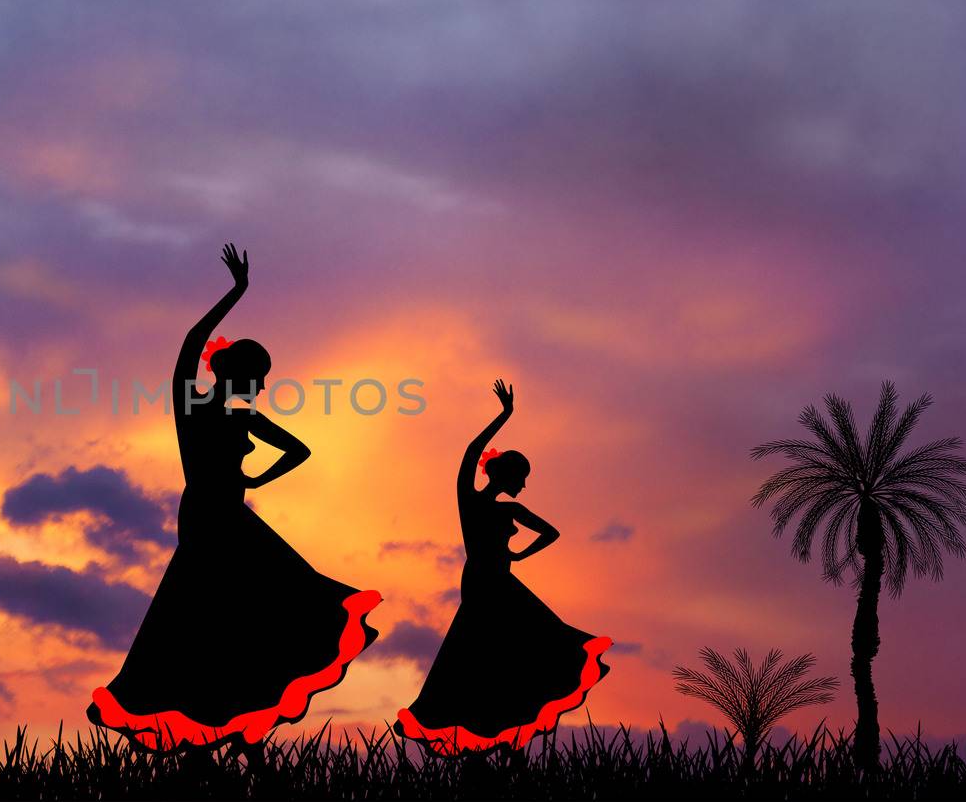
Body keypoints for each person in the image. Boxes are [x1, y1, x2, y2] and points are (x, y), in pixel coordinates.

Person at [87, 244, 381, 754]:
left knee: (246, 613)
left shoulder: (237, 413)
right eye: (259, 377)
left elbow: (299, 449)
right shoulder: (195, 404)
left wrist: (256, 481)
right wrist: (236, 293)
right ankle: (211, 723)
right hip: (208, 516)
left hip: (227, 514)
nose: (262, 387)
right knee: (208, 614)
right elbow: (189, 345)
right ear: (238, 374)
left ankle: (234, 729)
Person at [395, 379, 611, 756]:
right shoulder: (473, 501)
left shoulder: (505, 509)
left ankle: (502, 737)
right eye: (521, 479)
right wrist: (504, 416)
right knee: (481, 656)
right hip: (485, 585)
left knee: (513, 655)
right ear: (506, 476)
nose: (524, 486)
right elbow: (470, 452)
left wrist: (519, 558)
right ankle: (485, 732)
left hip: (501, 584)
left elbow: (551, 532)